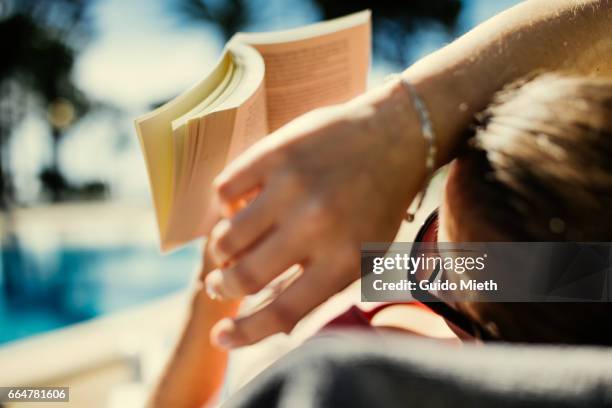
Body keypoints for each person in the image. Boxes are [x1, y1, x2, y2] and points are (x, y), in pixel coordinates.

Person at [146, 1, 612, 406]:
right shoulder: (537, 279)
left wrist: (211, 295)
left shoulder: (357, 383)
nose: (407, 267)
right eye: (431, 226)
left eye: (441, 275)